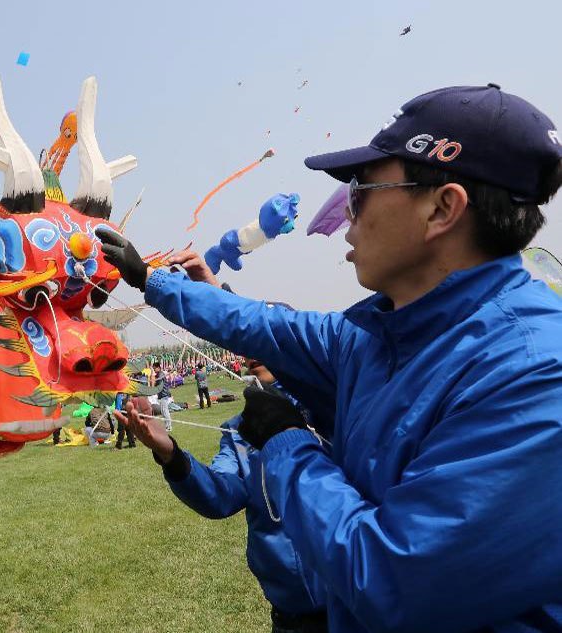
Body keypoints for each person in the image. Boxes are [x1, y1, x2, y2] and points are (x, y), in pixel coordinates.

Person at [100, 84, 562, 632]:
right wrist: (149, 280)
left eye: (362, 190)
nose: (347, 212)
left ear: (443, 208)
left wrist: (287, 442)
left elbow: (394, 582)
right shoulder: (384, 332)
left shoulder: (534, 376)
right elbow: (264, 325)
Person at [115, 362, 326, 633]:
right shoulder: (242, 430)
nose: (250, 352)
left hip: (360, 613)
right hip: (289, 620)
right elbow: (220, 495)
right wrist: (170, 454)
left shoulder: (330, 408)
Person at [152, 361, 173, 432]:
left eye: (154, 368)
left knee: (165, 411)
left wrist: (155, 380)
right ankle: (166, 426)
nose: (154, 370)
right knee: (163, 411)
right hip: (161, 395)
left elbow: (159, 382)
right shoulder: (158, 374)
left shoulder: (161, 374)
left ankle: (169, 427)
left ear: (158, 367)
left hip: (164, 395)